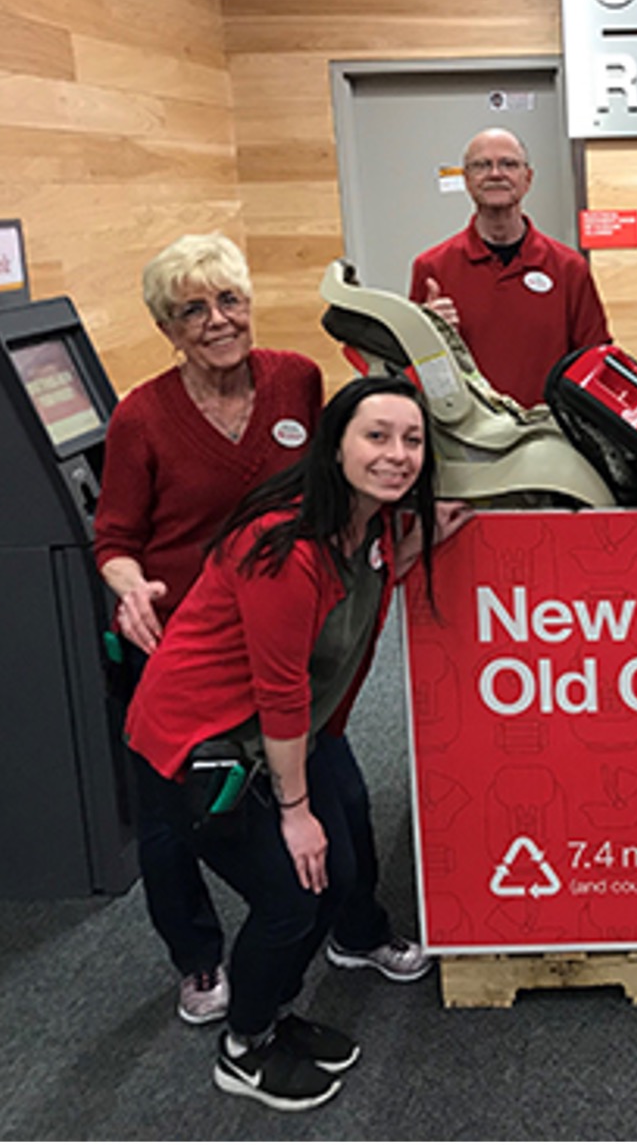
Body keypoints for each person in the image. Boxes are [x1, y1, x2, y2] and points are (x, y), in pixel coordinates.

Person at [94, 234, 426, 1029]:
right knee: (181, 823)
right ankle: (199, 958)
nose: (218, 320)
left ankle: (356, 928)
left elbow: (336, 475)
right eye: (193, 310)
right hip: (188, 644)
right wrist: (129, 582)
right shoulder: (142, 415)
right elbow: (113, 539)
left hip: (289, 629)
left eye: (230, 300)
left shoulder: (295, 379)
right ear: (167, 328)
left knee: (339, 796)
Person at [125, 376, 472, 1110]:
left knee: (335, 878)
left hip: (274, 737)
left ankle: (273, 1014)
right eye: (376, 436)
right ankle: (244, 1045)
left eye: (411, 440)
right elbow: (280, 689)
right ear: (336, 442)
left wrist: (423, 539)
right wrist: (295, 810)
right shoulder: (285, 545)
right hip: (199, 745)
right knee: (290, 894)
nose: (397, 454)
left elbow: (357, 597)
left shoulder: (368, 526)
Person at [410, 127, 611, 406]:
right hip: (467, 436)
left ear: (527, 178)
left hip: (549, 434)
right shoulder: (432, 268)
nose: (495, 173)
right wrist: (429, 336)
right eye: (482, 165)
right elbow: (415, 372)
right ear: (467, 180)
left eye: (508, 164)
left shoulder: (569, 268)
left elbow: (595, 362)